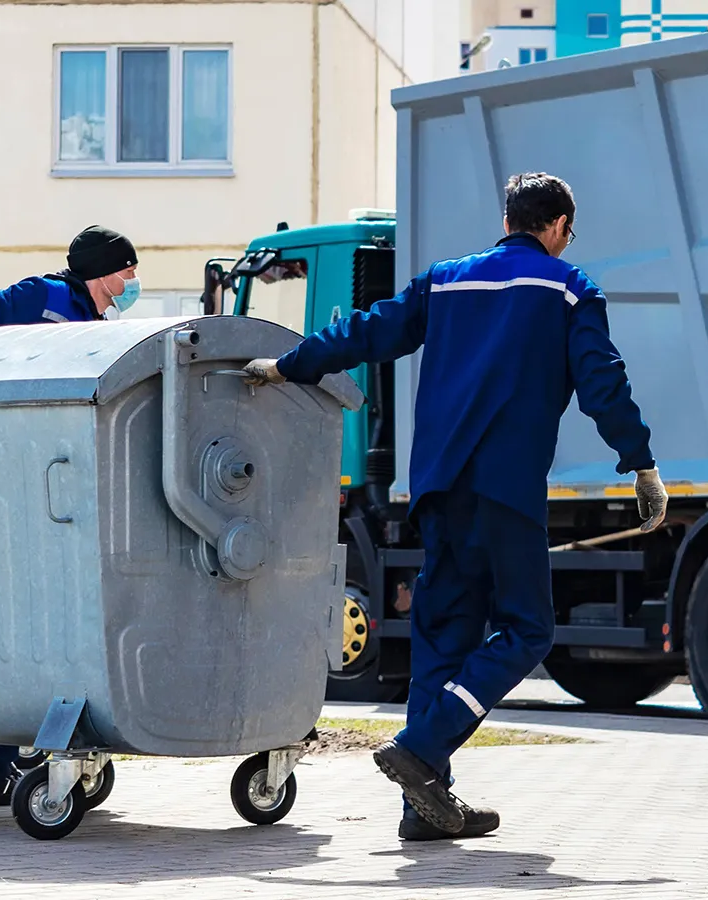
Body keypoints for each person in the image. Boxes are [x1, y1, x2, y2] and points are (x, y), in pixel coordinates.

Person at [243, 173, 665, 840]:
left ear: (508, 218)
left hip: (438, 489)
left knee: (442, 639)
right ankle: (424, 747)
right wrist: (639, 462)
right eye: (567, 232)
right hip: (507, 490)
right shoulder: (569, 287)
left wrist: (287, 365)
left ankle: (423, 809)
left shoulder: (445, 281)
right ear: (555, 227)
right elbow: (602, 382)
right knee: (528, 632)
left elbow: (367, 331)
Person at [0, 224, 139, 807]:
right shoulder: (43, 297)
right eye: (126, 271)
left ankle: (7, 766)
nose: (131, 282)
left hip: (60, 486)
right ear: (103, 272)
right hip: (14, 476)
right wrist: (0, 371)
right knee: (9, 618)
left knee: (42, 630)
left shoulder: (100, 328)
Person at [0, 225, 140, 329]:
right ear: (103, 273)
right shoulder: (47, 294)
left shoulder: (97, 322)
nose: (134, 280)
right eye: (129, 272)